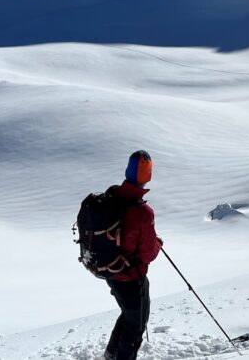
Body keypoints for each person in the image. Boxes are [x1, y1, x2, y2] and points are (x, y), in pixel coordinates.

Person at [105, 150, 162, 360]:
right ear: (148, 175)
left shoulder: (111, 197)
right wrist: (158, 243)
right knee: (136, 325)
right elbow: (147, 254)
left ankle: (111, 353)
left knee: (130, 315)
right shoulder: (143, 213)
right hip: (130, 275)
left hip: (109, 270)